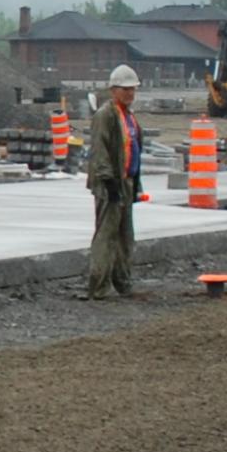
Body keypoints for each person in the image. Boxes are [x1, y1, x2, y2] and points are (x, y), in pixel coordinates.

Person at [84, 63, 144, 298]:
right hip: (109, 186)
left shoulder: (129, 117)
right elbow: (100, 153)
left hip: (126, 182)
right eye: (125, 89)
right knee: (106, 236)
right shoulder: (105, 116)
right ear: (113, 90)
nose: (130, 93)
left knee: (125, 237)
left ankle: (123, 282)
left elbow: (133, 150)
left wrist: (134, 185)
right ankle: (98, 286)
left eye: (133, 89)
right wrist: (110, 184)